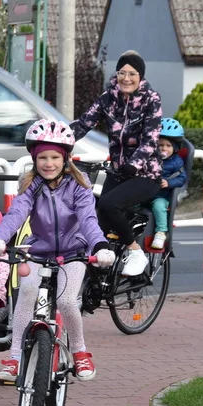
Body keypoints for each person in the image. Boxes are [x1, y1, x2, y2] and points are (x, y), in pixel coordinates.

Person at [0, 119, 116, 383]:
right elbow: (16, 214)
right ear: (34, 159)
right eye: (42, 157)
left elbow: (88, 220)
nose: (48, 163)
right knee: (27, 294)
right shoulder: (30, 185)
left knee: (67, 301)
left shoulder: (79, 186)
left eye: (55, 157)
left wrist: (100, 246)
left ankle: (79, 352)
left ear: (65, 158)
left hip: (74, 253)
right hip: (39, 252)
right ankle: (15, 359)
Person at [71, 50, 162, 277]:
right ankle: (93, 282)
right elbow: (83, 124)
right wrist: (56, 141)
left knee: (109, 204)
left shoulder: (151, 99)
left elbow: (151, 139)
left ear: (140, 77)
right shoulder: (108, 98)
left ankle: (135, 251)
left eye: (132, 73)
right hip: (119, 172)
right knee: (94, 219)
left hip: (145, 174)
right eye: (122, 72)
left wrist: (135, 163)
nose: (126, 78)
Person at [150, 118, 188, 250]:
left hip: (163, 196)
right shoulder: (150, 158)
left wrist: (169, 182)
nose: (164, 148)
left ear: (175, 147)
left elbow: (182, 178)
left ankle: (161, 232)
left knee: (158, 206)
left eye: (168, 146)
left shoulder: (176, 162)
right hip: (146, 192)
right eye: (161, 145)